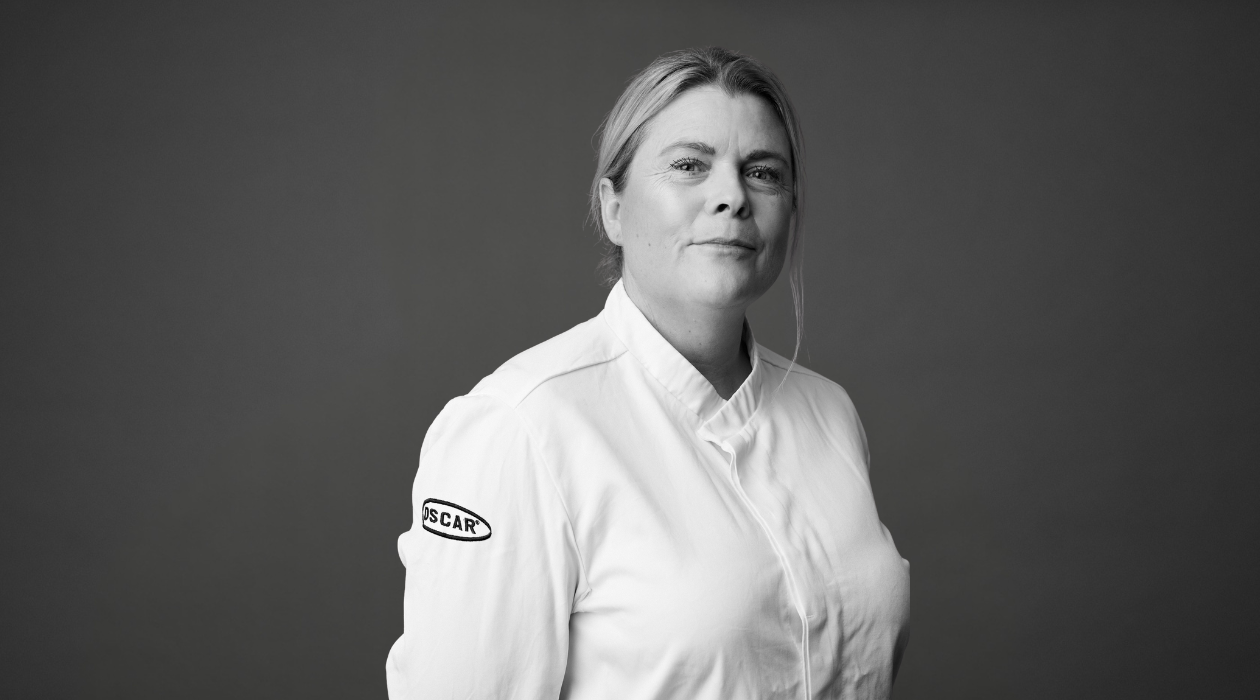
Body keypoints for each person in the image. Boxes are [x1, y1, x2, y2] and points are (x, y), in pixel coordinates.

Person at [386, 46, 910, 699]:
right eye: (690, 165)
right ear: (613, 207)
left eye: (763, 172)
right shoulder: (522, 428)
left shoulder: (829, 413)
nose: (732, 197)